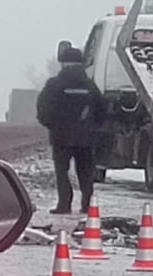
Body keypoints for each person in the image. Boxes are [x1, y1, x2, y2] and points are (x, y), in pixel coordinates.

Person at [36, 45, 105, 215]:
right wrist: (93, 127)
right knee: (86, 172)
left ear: (63, 63)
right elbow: (102, 109)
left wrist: (53, 125)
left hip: (61, 137)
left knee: (62, 172)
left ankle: (64, 205)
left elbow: (43, 109)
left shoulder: (54, 85)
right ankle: (87, 205)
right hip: (86, 138)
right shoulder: (90, 86)